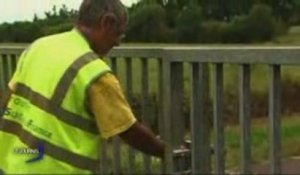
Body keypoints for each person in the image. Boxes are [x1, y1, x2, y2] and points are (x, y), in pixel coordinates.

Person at [0, 0, 165, 174]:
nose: (117, 43)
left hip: (12, 164)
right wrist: (166, 152)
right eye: (119, 34)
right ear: (106, 22)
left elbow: (8, 100)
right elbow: (128, 130)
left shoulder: (39, 46)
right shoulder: (94, 72)